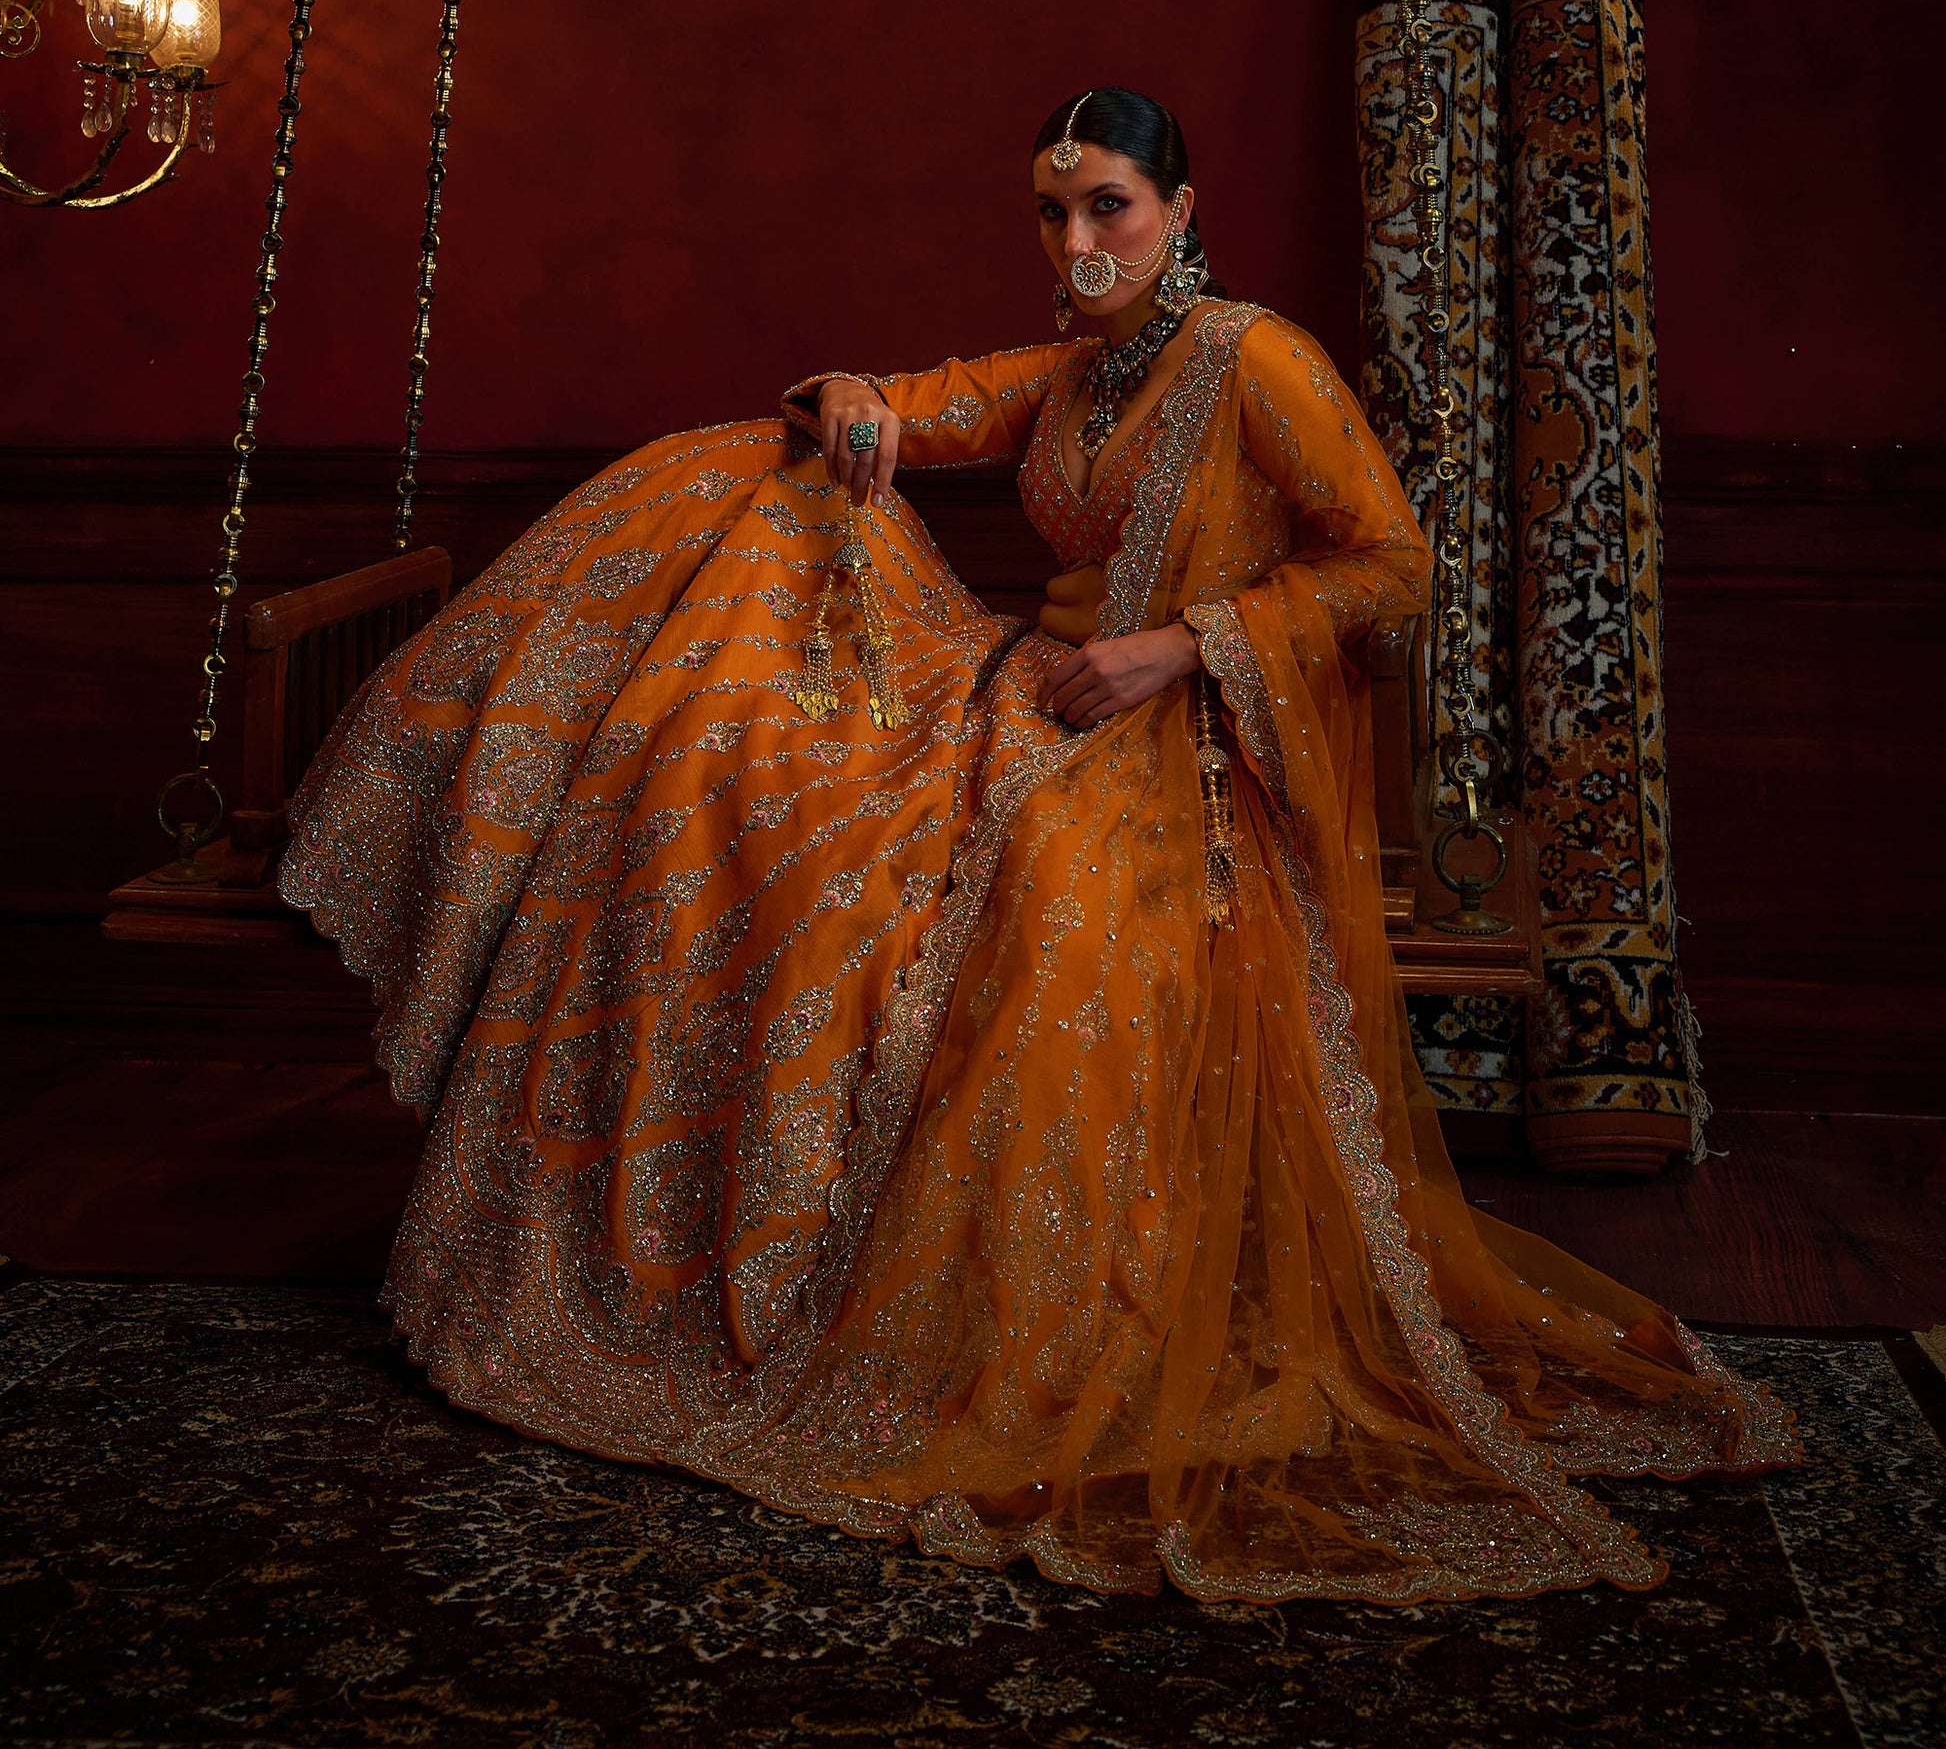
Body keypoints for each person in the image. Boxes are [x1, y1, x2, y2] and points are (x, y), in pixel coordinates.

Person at [282, 85, 1792, 1604]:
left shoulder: (1251, 357)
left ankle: (972, 1322)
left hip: (1181, 744)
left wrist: (1185, 645)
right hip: (1039, 704)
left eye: (1110, 207)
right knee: (752, 552)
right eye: (1055, 214)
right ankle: (715, 1229)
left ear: (1180, 212)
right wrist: (850, 396)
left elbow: (1392, 563)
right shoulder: (1075, 372)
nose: (1079, 243)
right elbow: (913, 400)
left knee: (1040, 929)